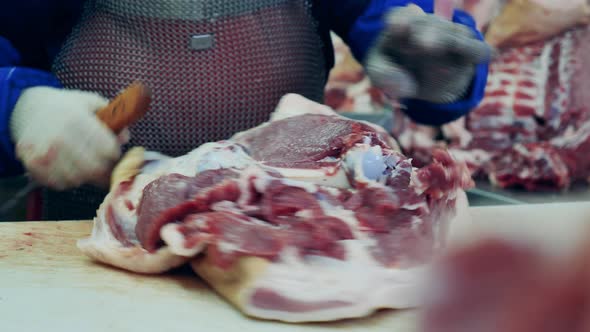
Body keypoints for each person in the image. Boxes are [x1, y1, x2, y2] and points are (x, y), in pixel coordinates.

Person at [0, 0, 491, 220]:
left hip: (287, 221)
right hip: (97, 221)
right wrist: (18, 103)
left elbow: (387, 15)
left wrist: (427, 65)